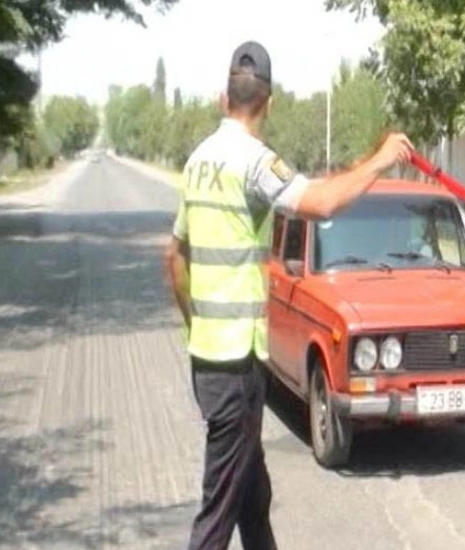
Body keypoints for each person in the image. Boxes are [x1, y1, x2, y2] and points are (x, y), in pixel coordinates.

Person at [163, 40, 413, 550]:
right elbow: (319, 204)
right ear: (269, 102)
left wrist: (197, 324)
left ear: (223, 97)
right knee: (218, 513)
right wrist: (381, 161)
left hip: (208, 356)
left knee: (253, 493)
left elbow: (175, 259)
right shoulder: (254, 162)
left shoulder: (197, 162)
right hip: (236, 363)